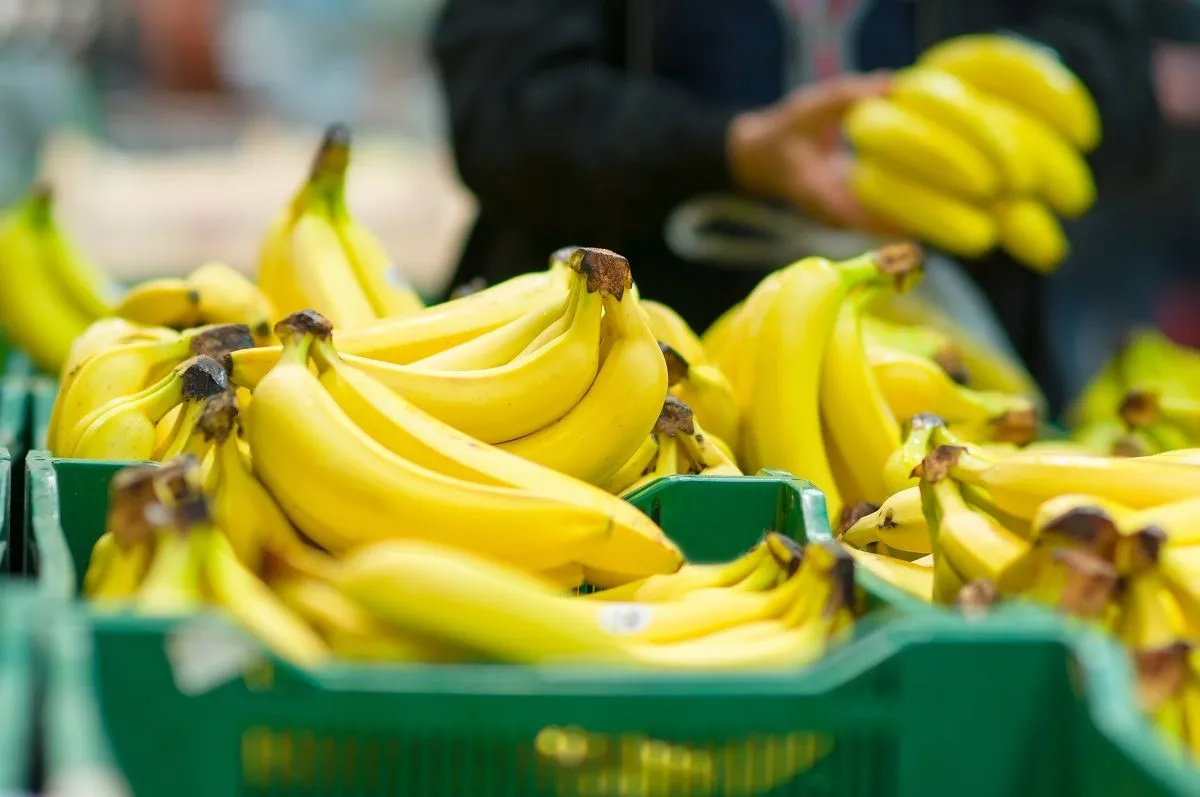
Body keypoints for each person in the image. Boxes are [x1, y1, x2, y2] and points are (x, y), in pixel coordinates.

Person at [432, 0, 1168, 409]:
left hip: (963, 366)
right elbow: (504, 109)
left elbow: (1124, 74)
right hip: (601, 372)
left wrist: (966, 144)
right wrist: (731, 149)